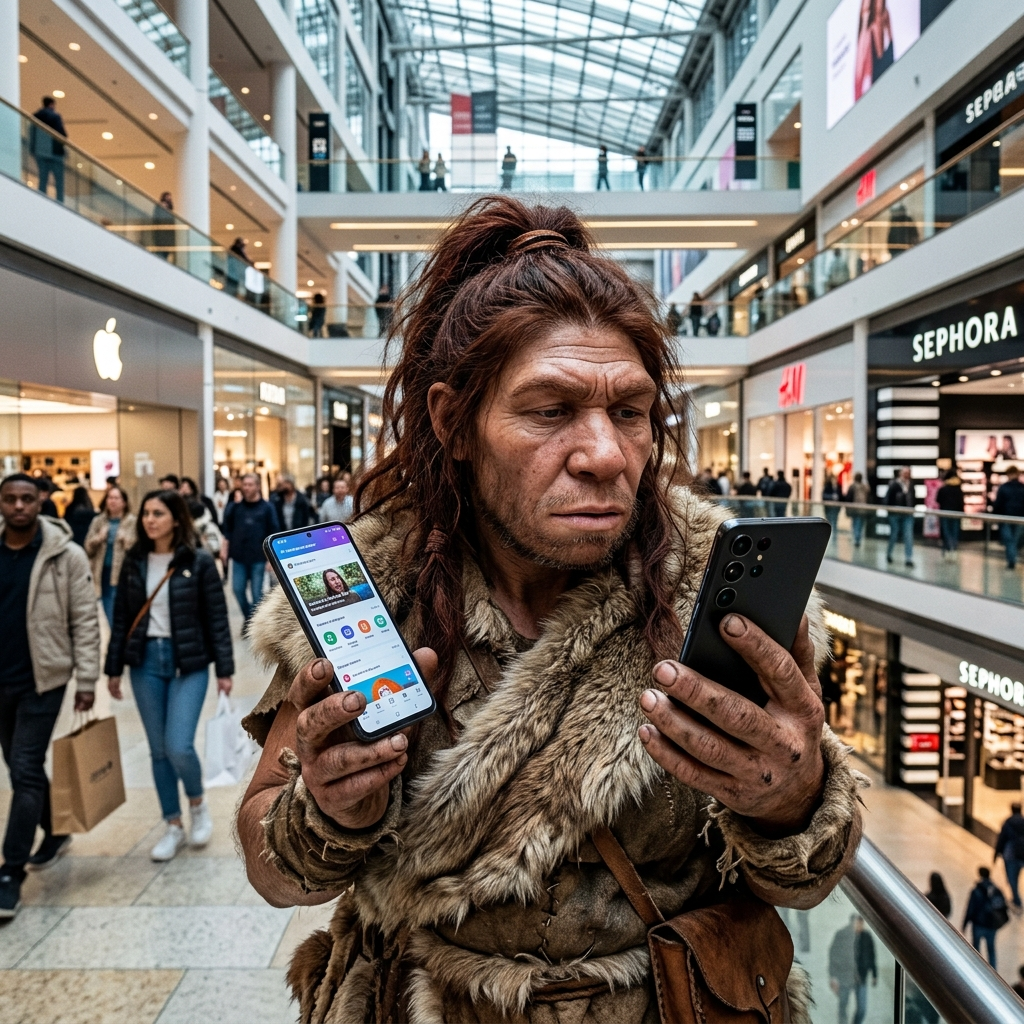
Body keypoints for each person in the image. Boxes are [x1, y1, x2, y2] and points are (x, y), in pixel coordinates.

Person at [235, 196, 862, 1022]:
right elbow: (272, 869)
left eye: (630, 412)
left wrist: (791, 796)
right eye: (550, 410)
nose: (606, 455)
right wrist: (323, 808)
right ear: (454, 422)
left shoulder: (713, 590)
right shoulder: (374, 588)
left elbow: (806, 883)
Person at [105, 490, 234, 862]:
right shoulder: (134, 560)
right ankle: (173, 824)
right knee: (158, 750)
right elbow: (121, 619)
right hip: (145, 661)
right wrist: (113, 669)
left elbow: (216, 619)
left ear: (176, 519)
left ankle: (197, 803)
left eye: (158, 513)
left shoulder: (198, 561)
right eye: (145, 513)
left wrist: (225, 670)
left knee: (178, 744)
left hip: (188, 663)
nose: (149, 520)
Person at [0, 474, 100, 919]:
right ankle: (56, 830)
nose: (19, 506)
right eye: (10, 499)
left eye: (27, 498)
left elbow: (84, 618)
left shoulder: (65, 554)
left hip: (45, 678)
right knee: (20, 765)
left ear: (40, 500)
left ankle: (10, 871)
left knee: (22, 767)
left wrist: (86, 679)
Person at [221, 473, 279, 623]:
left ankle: (252, 624)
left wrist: (271, 559)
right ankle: (249, 620)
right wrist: (224, 548)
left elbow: (273, 532)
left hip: (258, 558)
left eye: (250, 484)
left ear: (258, 486)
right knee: (237, 589)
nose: (246, 488)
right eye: (244, 484)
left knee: (256, 594)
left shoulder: (267, 508)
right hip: (238, 557)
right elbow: (228, 530)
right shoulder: (235, 507)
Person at [83, 485, 136, 627]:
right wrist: (98, 539)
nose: (112, 501)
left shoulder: (132, 522)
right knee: (107, 607)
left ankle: (118, 641)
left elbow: (138, 550)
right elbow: (87, 547)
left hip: (123, 573)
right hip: (102, 572)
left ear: (124, 502)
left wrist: (126, 540)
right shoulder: (98, 521)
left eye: (116, 498)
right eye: (110, 497)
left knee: (119, 609)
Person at [828, 914, 875, 1024]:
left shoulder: (866, 936)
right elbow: (833, 956)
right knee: (843, 1005)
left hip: (861, 978)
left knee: (862, 1008)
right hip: (844, 977)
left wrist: (874, 974)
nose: (860, 925)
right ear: (852, 922)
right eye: (858, 922)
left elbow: (871, 956)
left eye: (862, 923)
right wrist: (833, 978)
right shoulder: (841, 935)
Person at [963, 865, 1008, 968]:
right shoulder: (996, 889)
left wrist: (965, 924)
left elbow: (970, 908)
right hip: (991, 925)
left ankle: (977, 968)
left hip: (979, 924)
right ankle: (993, 971)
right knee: (991, 949)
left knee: (976, 949)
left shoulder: (976, 891)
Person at [30, 97, 68, 203]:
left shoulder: (35, 117)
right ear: (51, 104)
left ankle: (42, 198)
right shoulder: (55, 116)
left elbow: (32, 134)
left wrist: (32, 150)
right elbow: (62, 134)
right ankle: (60, 202)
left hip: (40, 151)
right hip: (55, 152)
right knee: (59, 181)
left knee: (43, 177)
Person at [993, 465, 1024, 570]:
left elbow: (998, 504)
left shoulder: (1004, 488)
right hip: (1019, 518)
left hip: (1006, 517)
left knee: (1009, 540)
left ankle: (1011, 560)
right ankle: (1012, 559)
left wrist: (996, 516)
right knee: (1014, 540)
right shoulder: (1022, 488)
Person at [885, 466, 915, 567]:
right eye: (905, 473)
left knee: (908, 535)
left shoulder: (910, 485)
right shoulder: (894, 485)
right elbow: (888, 499)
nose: (907, 475)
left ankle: (908, 558)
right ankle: (889, 553)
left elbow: (913, 499)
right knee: (894, 534)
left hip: (908, 514)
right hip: (895, 514)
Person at [996, 803, 1024, 911]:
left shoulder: (1008, 823)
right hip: (1022, 855)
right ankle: (1015, 898)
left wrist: (997, 852)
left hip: (1011, 855)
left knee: (1012, 878)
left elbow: (1002, 839)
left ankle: (1017, 900)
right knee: (1015, 876)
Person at [936, 469, 964, 558]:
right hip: (956, 514)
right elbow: (961, 502)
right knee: (954, 532)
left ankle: (947, 549)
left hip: (945, 513)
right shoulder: (958, 489)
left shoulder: (943, 489)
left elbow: (938, 500)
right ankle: (954, 549)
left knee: (946, 532)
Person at [845, 471, 871, 547]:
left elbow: (848, 497)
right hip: (863, 508)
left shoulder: (853, 486)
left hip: (855, 508)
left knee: (856, 523)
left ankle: (857, 539)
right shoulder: (865, 487)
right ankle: (857, 538)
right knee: (860, 524)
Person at [152, 191, 175, 261]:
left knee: (165, 254)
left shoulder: (170, 214)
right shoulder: (159, 209)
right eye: (167, 197)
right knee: (160, 254)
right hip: (160, 238)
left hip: (167, 239)